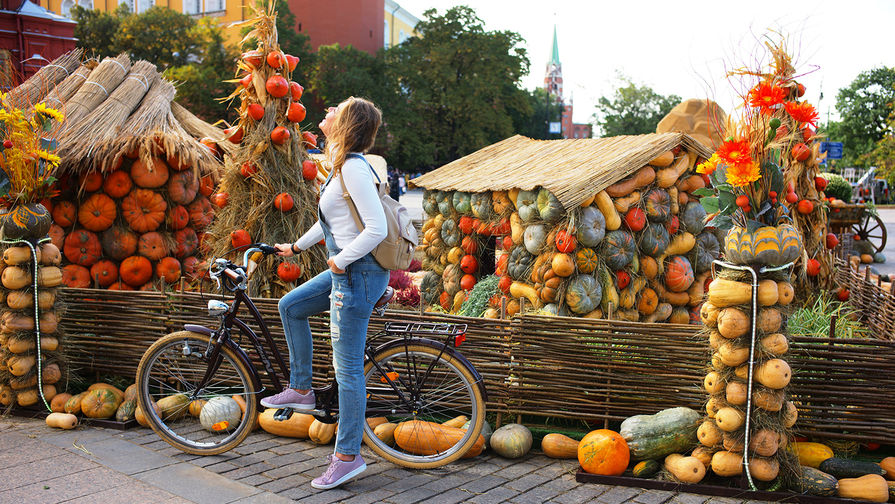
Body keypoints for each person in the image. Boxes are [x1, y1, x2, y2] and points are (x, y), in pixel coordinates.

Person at [262, 97, 389, 490]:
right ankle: (301, 389)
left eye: (336, 108)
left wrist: (340, 261)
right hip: (349, 272)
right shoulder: (341, 167)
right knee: (291, 305)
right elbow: (332, 220)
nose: (328, 110)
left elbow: (377, 228)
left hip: (356, 275)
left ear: (346, 122)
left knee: (347, 370)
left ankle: (347, 457)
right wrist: (296, 248)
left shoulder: (352, 168)